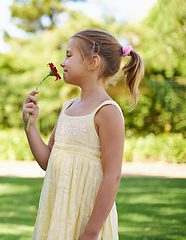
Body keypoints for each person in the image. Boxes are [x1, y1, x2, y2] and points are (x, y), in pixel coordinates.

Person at [23, 29, 144, 239]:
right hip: (57, 216)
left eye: (69, 55)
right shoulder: (67, 107)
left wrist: (91, 232)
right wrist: (30, 125)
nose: (62, 62)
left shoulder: (107, 112)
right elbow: (47, 161)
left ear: (93, 62)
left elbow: (112, 177)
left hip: (87, 220)